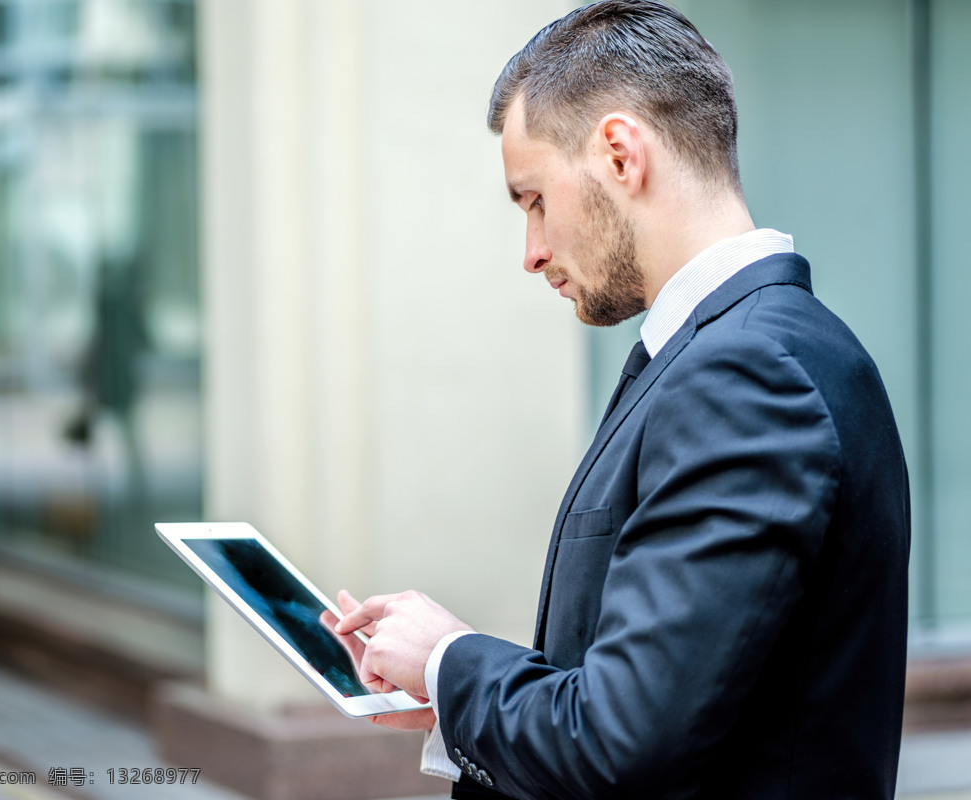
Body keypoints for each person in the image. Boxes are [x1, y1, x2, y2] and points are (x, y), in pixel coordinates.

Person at [332, 2, 911, 799]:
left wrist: (450, 658)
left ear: (618, 152)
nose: (530, 254)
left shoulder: (746, 373)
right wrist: (453, 692)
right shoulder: (754, 351)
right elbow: (681, 702)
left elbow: (623, 742)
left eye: (533, 199)